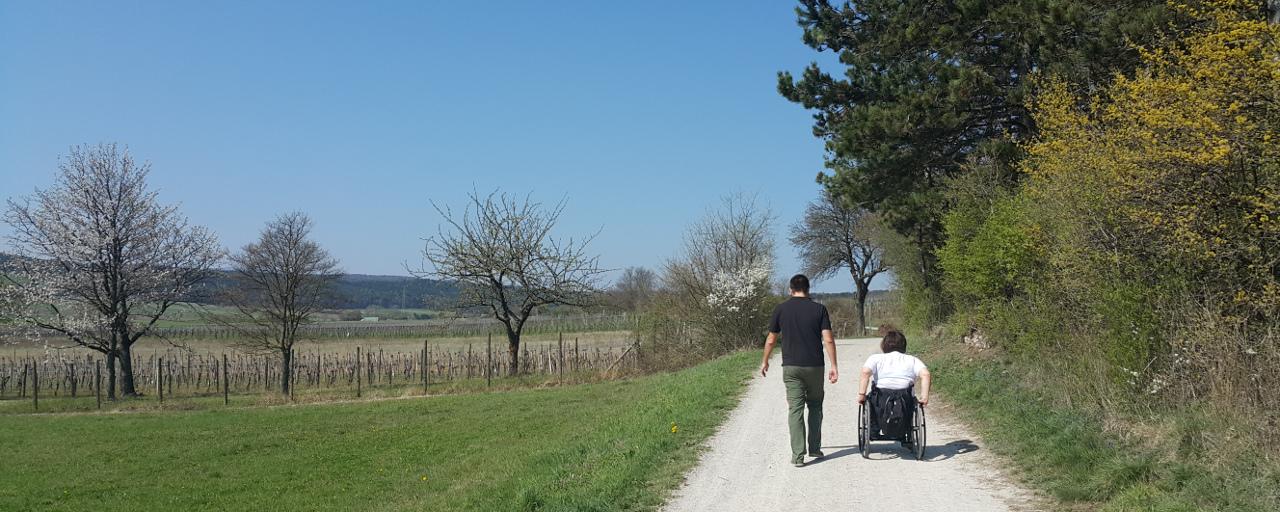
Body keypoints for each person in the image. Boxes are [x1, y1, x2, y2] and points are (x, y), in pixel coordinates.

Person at [759, 274, 837, 467]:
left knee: (795, 409)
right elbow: (828, 339)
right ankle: (815, 447)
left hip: (791, 366)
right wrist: (834, 365)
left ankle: (798, 456)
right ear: (808, 289)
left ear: (790, 289)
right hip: (815, 366)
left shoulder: (781, 309)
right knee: (816, 405)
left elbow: (771, 339)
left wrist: (765, 361)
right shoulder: (819, 309)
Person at [857, 330, 931, 440]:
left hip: (881, 398)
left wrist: (861, 394)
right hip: (905, 398)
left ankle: (874, 430)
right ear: (904, 345)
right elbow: (925, 374)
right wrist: (924, 397)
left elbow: (865, 373)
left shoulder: (875, 358)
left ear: (884, 345)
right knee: (911, 403)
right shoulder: (912, 360)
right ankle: (907, 432)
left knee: (870, 401)